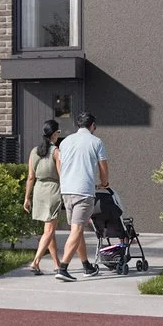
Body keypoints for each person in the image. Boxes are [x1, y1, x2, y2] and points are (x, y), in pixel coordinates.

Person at [53, 114, 111, 282]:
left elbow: (61, 165)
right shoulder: (96, 142)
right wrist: (104, 183)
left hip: (67, 190)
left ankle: (87, 266)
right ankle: (63, 268)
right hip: (83, 191)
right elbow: (103, 167)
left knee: (76, 230)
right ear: (92, 125)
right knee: (77, 230)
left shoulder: (64, 142)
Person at [23, 120, 65, 274]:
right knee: (49, 230)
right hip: (52, 190)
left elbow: (30, 177)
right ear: (54, 134)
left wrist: (27, 198)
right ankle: (35, 261)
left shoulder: (34, 151)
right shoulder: (56, 152)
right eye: (58, 133)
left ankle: (57, 264)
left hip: (39, 191)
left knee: (49, 230)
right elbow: (62, 175)